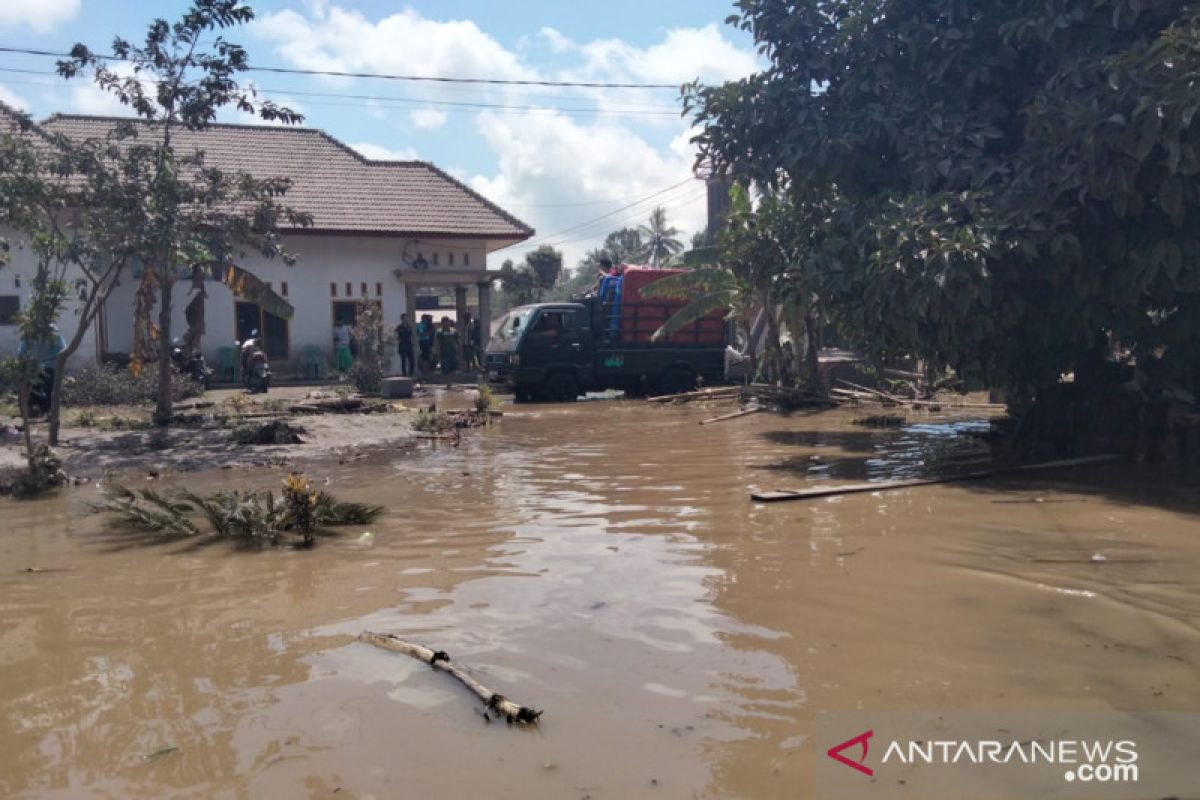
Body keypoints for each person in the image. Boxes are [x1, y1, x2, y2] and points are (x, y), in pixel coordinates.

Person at [18, 323, 66, 415]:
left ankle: (37, 410)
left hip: (34, 368)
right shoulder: (56, 336)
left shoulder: (29, 335)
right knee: (48, 390)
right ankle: (46, 411)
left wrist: (22, 367)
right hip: (49, 367)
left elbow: (21, 352)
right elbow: (63, 350)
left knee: (34, 390)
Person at [434, 315, 459, 387]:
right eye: (444, 322)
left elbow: (457, 340)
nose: (446, 323)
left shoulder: (454, 330)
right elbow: (437, 342)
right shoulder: (439, 332)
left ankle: (450, 381)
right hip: (444, 352)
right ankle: (448, 383)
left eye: (447, 321)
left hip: (453, 352)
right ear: (442, 323)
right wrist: (437, 351)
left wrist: (459, 349)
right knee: (446, 368)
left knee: (453, 368)